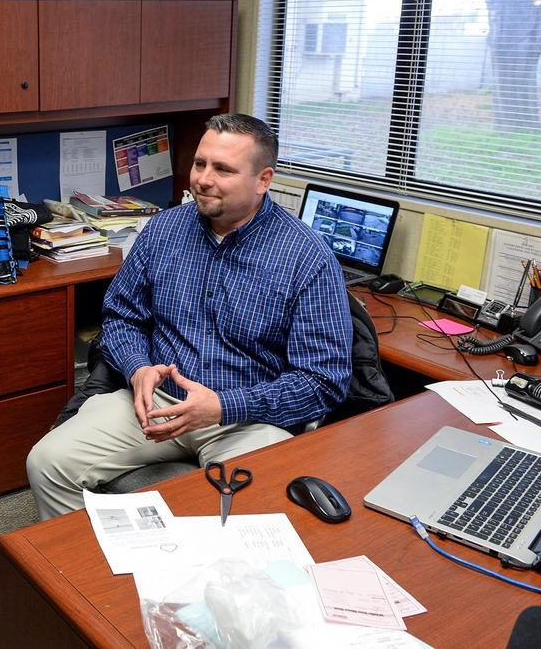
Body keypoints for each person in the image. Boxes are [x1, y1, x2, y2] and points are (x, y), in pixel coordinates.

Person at [25, 113, 353, 520]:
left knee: (254, 509)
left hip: (246, 419)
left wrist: (222, 405)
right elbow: (121, 316)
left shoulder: (307, 257)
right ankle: (84, 576)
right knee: (48, 462)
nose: (202, 179)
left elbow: (322, 383)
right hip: (156, 402)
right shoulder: (163, 229)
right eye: (200, 163)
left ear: (262, 180)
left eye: (223, 169)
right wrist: (137, 369)